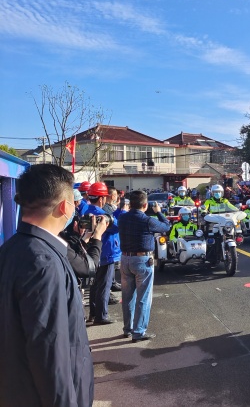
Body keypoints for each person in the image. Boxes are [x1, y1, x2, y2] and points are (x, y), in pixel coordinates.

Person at [0, 164, 94, 406]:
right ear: (64, 207)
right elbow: (50, 351)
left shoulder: (11, 249)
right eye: (73, 202)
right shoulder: (43, 261)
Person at [118, 190, 170, 342]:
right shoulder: (147, 220)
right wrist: (159, 212)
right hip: (142, 260)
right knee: (143, 298)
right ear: (145, 205)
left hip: (125, 259)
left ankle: (127, 328)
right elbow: (166, 227)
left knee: (127, 297)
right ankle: (139, 331)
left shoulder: (122, 218)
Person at [87, 181, 121, 325]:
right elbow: (117, 227)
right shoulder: (102, 215)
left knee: (94, 286)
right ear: (102, 198)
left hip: (92, 253)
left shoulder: (85, 210)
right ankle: (101, 315)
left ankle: (94, 313)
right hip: (105, 253)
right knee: (104, 286)